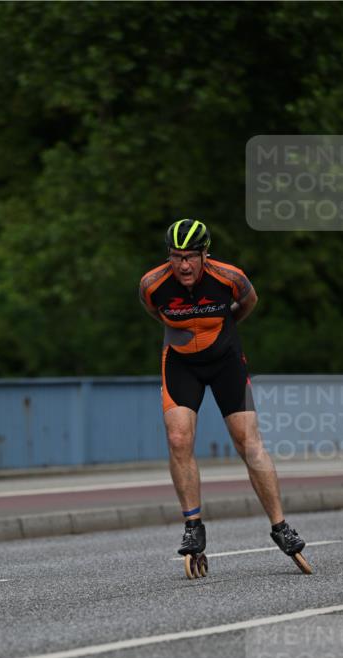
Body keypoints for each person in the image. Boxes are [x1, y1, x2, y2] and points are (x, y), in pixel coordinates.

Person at [139, 218, 306, 561]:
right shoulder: (152, 285)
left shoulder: (230, 278)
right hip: (181, 363)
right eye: (176, 256)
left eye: (190, 257)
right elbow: (155, 312)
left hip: (226, 360)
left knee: (248, 441)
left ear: (205, 254)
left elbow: (248, 302)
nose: (183, 265)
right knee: (178, 439)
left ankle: (280, 526)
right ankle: (193, 525)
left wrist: (223, 328)